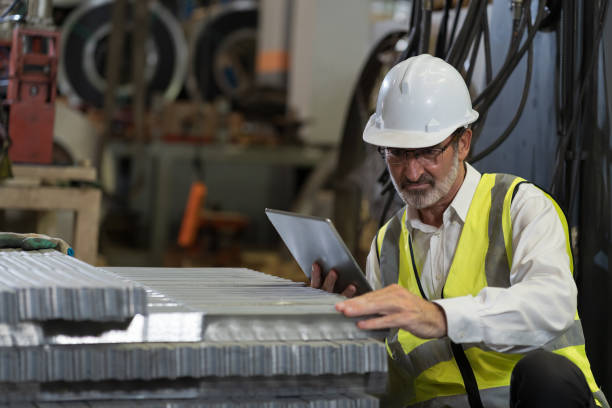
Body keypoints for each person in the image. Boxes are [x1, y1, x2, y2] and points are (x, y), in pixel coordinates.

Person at [311, 54, 608, 408]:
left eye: (427, 152)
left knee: (546, 372)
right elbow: (387, 376)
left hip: (534, 401)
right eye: (397, 154)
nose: (411, 172)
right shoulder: (386, 246)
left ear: (463, 143)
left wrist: (441, 316)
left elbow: (550, 305)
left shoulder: (520, 206)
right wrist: (341, 326)